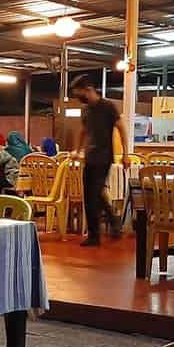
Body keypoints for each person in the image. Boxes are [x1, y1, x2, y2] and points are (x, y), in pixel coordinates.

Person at [70, 76, 130, 247]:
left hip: (104, 157)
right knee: (90, 194)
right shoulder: (86, 110)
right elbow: (83, 130)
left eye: (79, 93)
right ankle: (113, 221)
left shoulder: (108, 106)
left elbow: (122, 129)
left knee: (94, 194)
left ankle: (95, 235)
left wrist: (125, 154)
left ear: (88, 89)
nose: (79, 97)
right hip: (89, 157)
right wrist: (77, 150)